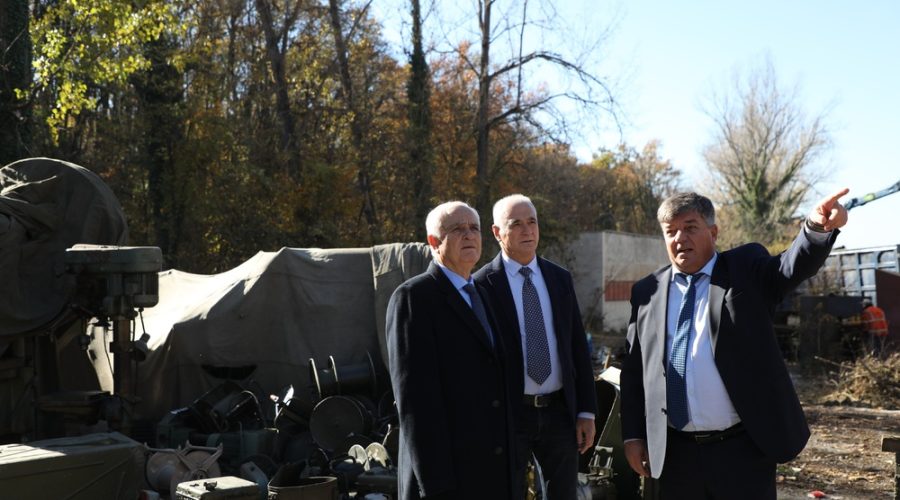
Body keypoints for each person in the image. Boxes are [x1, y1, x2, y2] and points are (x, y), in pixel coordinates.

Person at [620, 189, 849, 499]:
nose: (679, 238)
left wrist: (816, 228)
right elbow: (635, 371)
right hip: (675, 455)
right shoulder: (647, 291)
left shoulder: (745, 269)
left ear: (713, 232)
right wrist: (633, 436)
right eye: (670, 231)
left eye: (690, 227)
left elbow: (790, 266)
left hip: (741, 451)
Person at [386, 201, 513, 500]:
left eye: (474, 228)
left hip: (492, 474)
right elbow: (415, 402)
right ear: (434, 241)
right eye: (457, 229)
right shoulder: (414, 298)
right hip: (447, 479)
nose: (469, 235)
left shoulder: (484, 294)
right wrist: (436, 485)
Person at [474, 194, 597, 499]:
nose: (527, 230)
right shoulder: (482, 285)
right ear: (497, 232)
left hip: (559, 412)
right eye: (516, 224)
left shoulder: (559, 278)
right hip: (509, 415)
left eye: (532, 222)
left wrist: (586, 411)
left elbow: (577, 347)